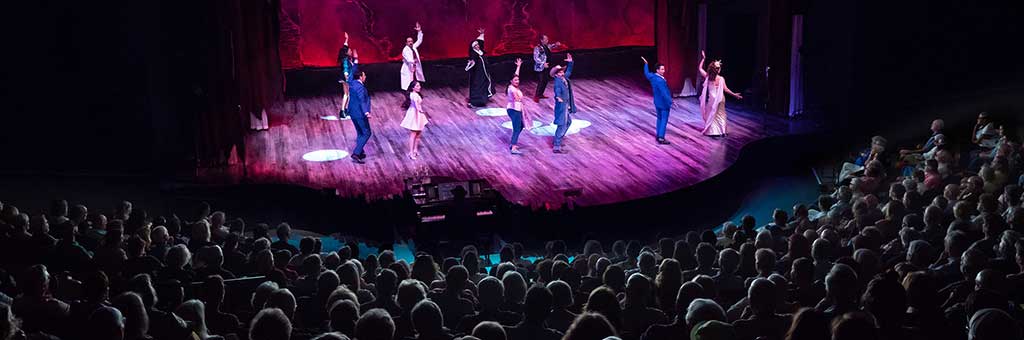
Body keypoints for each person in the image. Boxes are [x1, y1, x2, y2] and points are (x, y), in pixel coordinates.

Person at [698, 50, 742, 137]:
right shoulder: (721, 78)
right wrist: (734, 95)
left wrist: (703, 58)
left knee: (712, 114)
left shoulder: (708, 77)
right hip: (720, 99)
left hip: (712, 100)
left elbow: (700, 68)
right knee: (721, 114)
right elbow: (726, 89)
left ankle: (713, 131)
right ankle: (722, 131)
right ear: (718, 70)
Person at [641, 56, 672, 145]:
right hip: (663, 103)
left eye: (664, 69)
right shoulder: (660, 81)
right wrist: (670, 101)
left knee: (659, 118)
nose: (664, 71)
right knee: (664, 119)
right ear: (657, 70)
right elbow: (664, 93)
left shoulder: (653, 77)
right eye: (662, 69)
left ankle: (658, 135)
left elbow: (646, 73)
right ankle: (661, 137)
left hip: (657, 102)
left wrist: (646, 64)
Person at [347, 63, 373, 164]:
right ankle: (356, 153)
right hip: (360, 113)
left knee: (360, 132)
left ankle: (360, 151)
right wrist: (366, 112)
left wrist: (355, 63)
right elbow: (362, 100)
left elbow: (351, 74)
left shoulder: (352, 83)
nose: (365, 77)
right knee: (367, 132)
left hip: (352, 112)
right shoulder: (360, 88)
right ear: (361, 77)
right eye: (364, 75)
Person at [551, 53, 576, 154]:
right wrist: (558, 97)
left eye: (562, 71)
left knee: (568, 122)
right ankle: (556, 146)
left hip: (566, 104)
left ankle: (558, 140)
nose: (562, 73)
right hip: (562, 105)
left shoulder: (564, 78)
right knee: (562, 124)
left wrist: (570, 63)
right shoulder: (558, 81)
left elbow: (569, 71)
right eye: (560, 72)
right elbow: (557, 90)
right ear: (556, 74)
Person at [400, 80, 429, 160]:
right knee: (414, 134)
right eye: (417, 86)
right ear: (413, 88)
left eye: (419, 85)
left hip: (417, 114)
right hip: (415, 114)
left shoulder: (414, 94)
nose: (419, 87)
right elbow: (417, 105)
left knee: (418, 133)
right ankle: (411, 152)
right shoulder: (414, 95)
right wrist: (420, 110)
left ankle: (415, 150)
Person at [506, 58, 530, 155]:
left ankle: (513, 142)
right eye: (515, 80)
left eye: (518, 80)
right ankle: (513, 147)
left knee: (521, 125)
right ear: (511, 81)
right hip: (514, 110)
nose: (517, 81)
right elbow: (515, 96)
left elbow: (516, 75)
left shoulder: (513, 86)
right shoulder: (512, 89)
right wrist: (518, 98)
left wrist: (518, 66)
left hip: (517, 109)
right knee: (517, 128)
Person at [465, 28, 494, 108]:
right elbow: (473, 61)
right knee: (478, 87)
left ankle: (484, 99)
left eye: (477, 45)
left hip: (484, 73)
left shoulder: (480, 51)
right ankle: (475, 102)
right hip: (478, 74)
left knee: (485, 85)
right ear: (473, 47)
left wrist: (482, 34)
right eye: (475, 45)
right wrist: (470, 64)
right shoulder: (474, 53)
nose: (477, 46)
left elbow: (481, 42)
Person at [532, 34, 561, 102]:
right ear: (541, 40)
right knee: (541, 81)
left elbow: (552, 46)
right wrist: (543, 64)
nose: (547, 40)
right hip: (541, 67)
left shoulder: (547, 46)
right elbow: (536, 58)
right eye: (546, 39)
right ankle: (536, 96)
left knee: (545, 80)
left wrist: (556, 44)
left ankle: (540, 94)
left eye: (547, 39)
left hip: (547, 66)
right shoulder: (537, 48)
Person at [337, 33, 358, 120]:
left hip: (346, 78)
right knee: (347, 94)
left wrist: (347, 39)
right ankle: (343, 110)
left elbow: (345, 46)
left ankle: (345, 110)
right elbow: (345, 69)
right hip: (347, 78)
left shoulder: (346, 58)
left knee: (347, 94)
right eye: (350, 50)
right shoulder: (345, 60)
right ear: (346, 53)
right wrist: (347, 78)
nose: (351, 51)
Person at [401, 22, 425, 91]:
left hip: (413, 67)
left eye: (411, 41)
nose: (411, 42)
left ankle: (413, 93)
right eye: (409, 41)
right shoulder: (405, 50)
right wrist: (414, 61)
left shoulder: (413, 47)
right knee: (408, 84)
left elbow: (419, 41)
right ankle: (409, 95)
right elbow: (409, 60)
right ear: (406, 43)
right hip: (408, 68)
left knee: (413, 82)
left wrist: (419, 31)